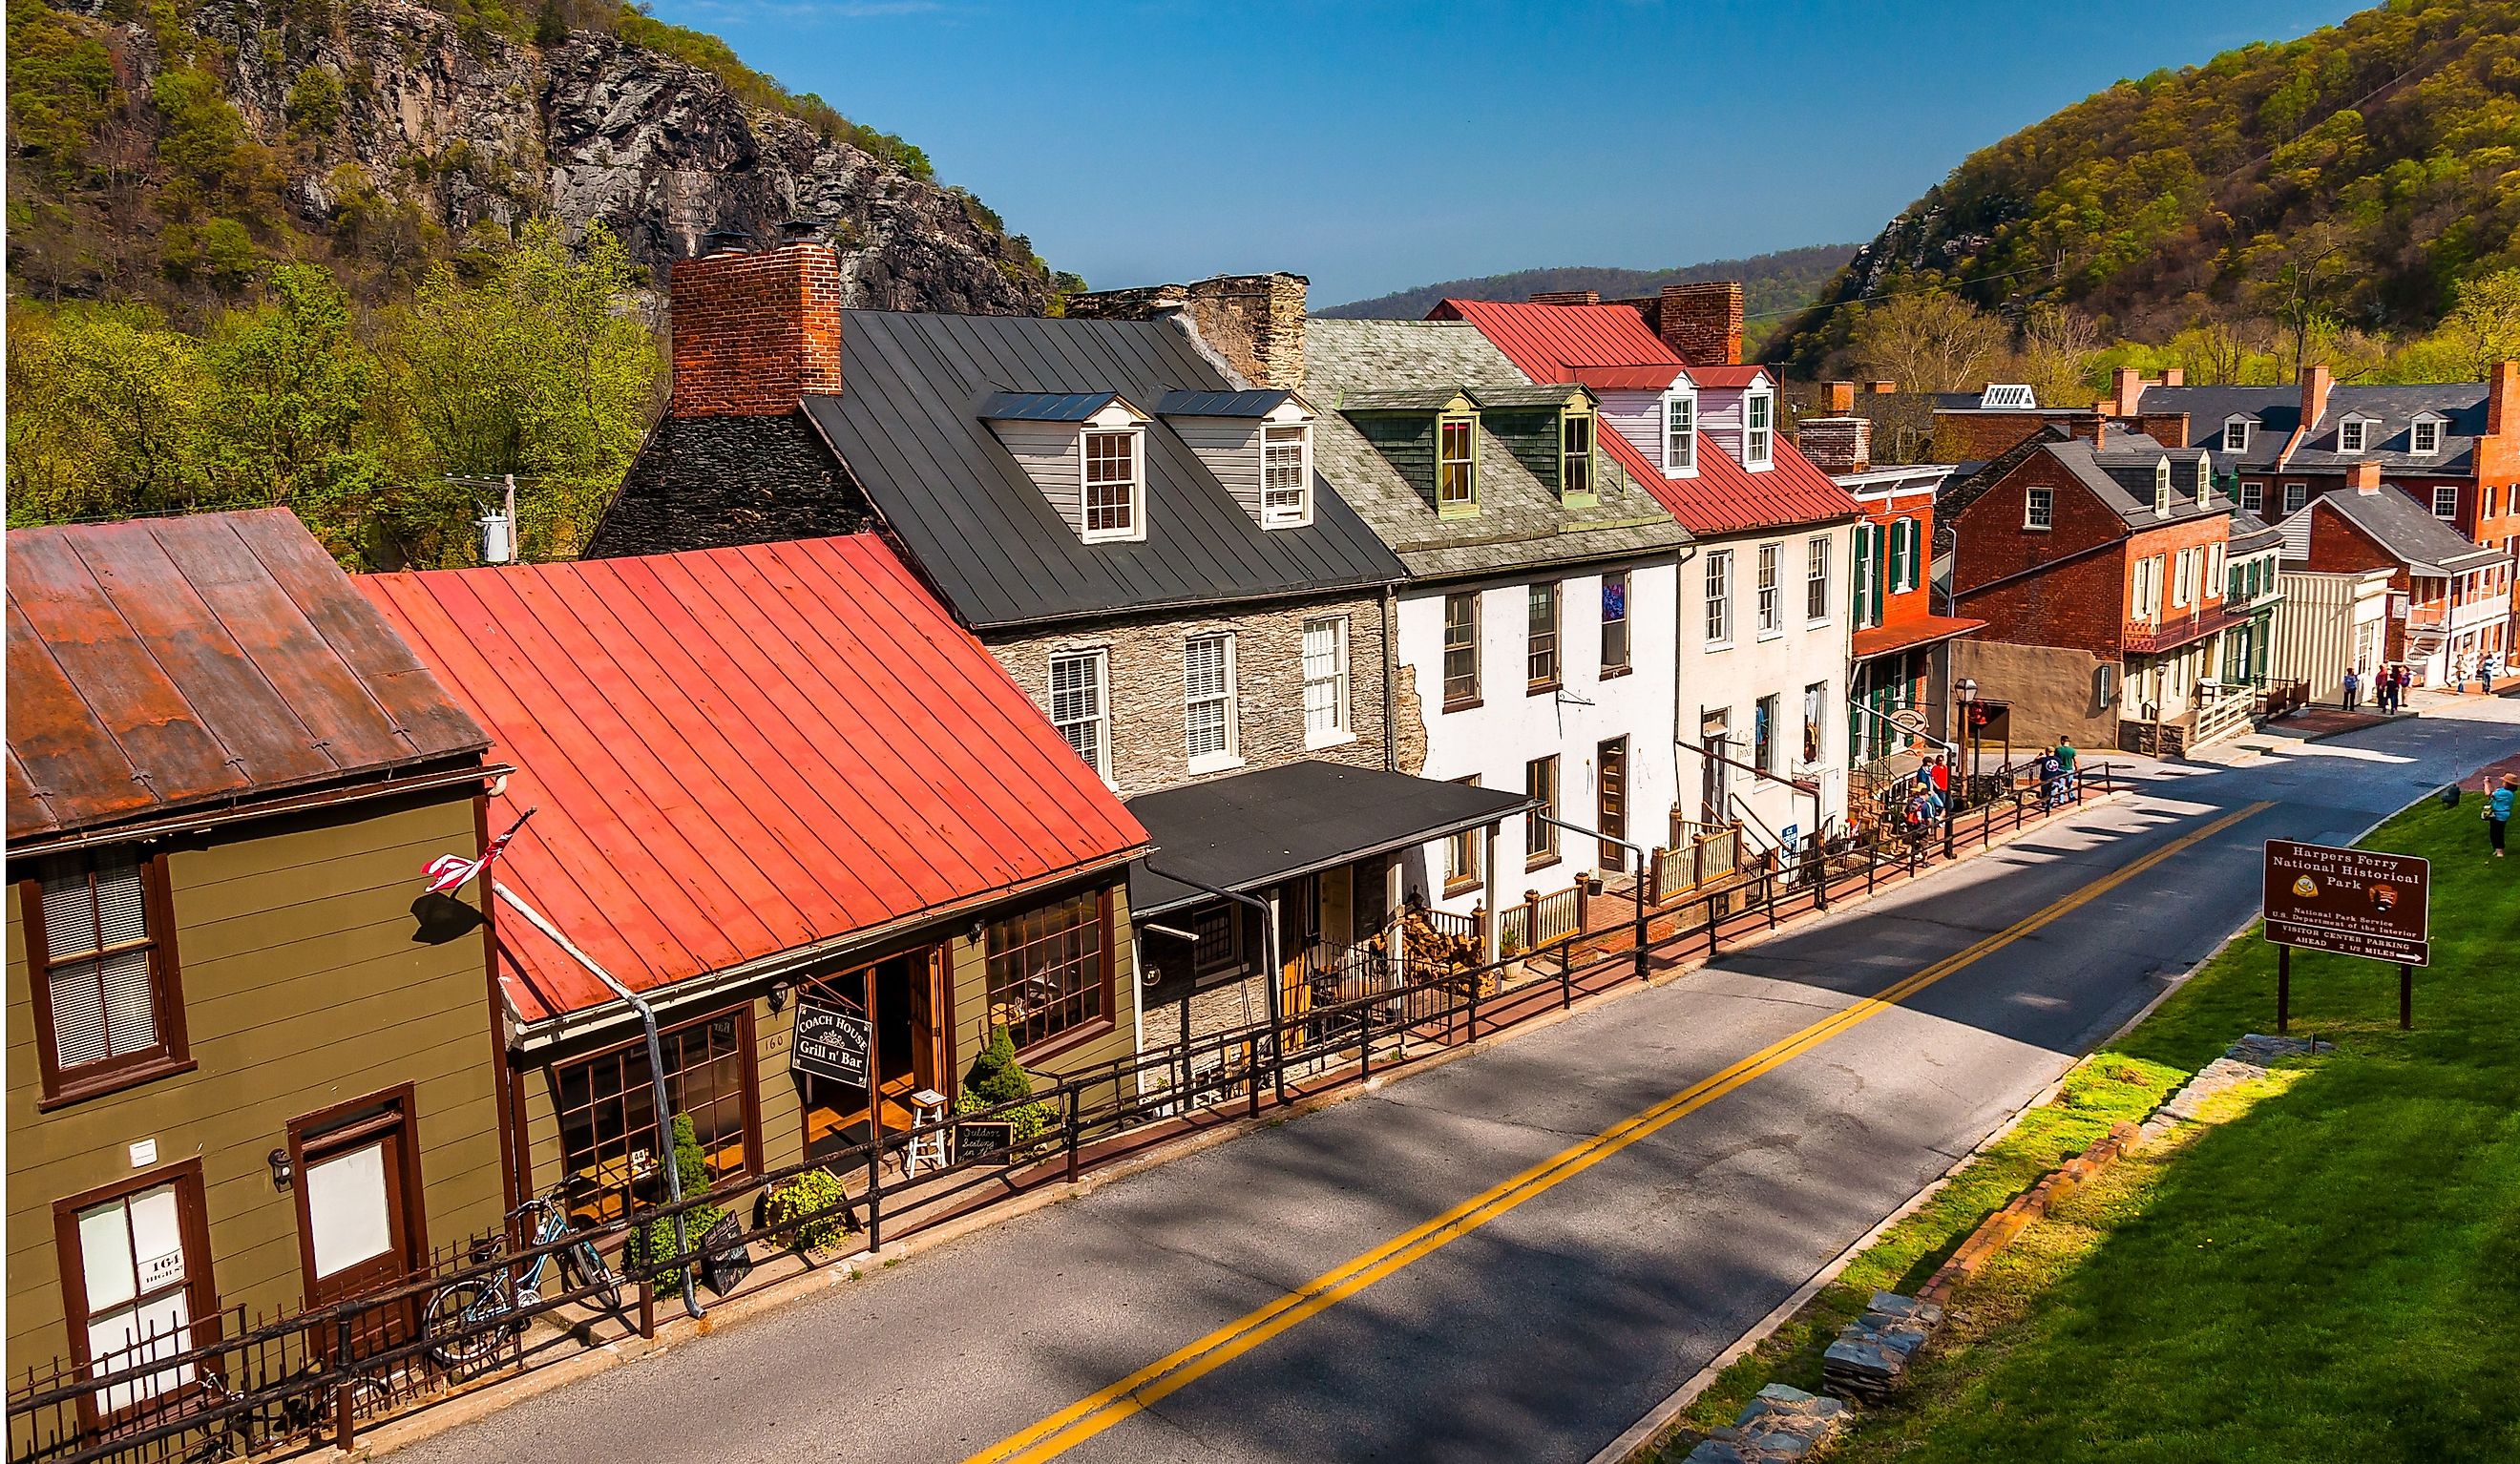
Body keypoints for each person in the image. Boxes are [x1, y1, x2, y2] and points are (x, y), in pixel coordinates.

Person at [2487, 773, 2516, 859]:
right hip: (2496, 814)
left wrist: (2485, 783)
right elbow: (2493, 793)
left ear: (2508, 784)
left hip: (2500, 815)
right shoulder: (2503, 791)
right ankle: (2497, 849)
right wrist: (2489, 783)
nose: (2502, 782)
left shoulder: (2506, 793)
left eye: (2504, 781)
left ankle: (2500, 851)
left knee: (2498, 832)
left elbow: (2488, 793)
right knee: (2493, 832)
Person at [2036, 745, 2065, 809]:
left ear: (2047, 752)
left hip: (2045, 778)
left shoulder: (2044, 759)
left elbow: (2036, 761)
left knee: (2044, 792)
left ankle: (2044, 804)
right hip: (2054, 778)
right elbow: (2061, 765)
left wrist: (2040, 756)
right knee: (2052, 792)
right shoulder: (2058, 759)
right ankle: (2050, 806)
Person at [2056, 736, 2079, 801]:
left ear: (2062, 741)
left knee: (2061, 785)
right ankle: (2071, 797)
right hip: (2069, 769)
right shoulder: (2072, 750)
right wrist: (2077, 769)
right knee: (2069, 784)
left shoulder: (2058, 750)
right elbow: (2076, 761)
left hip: (2060, 769)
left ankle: (2061, 799)